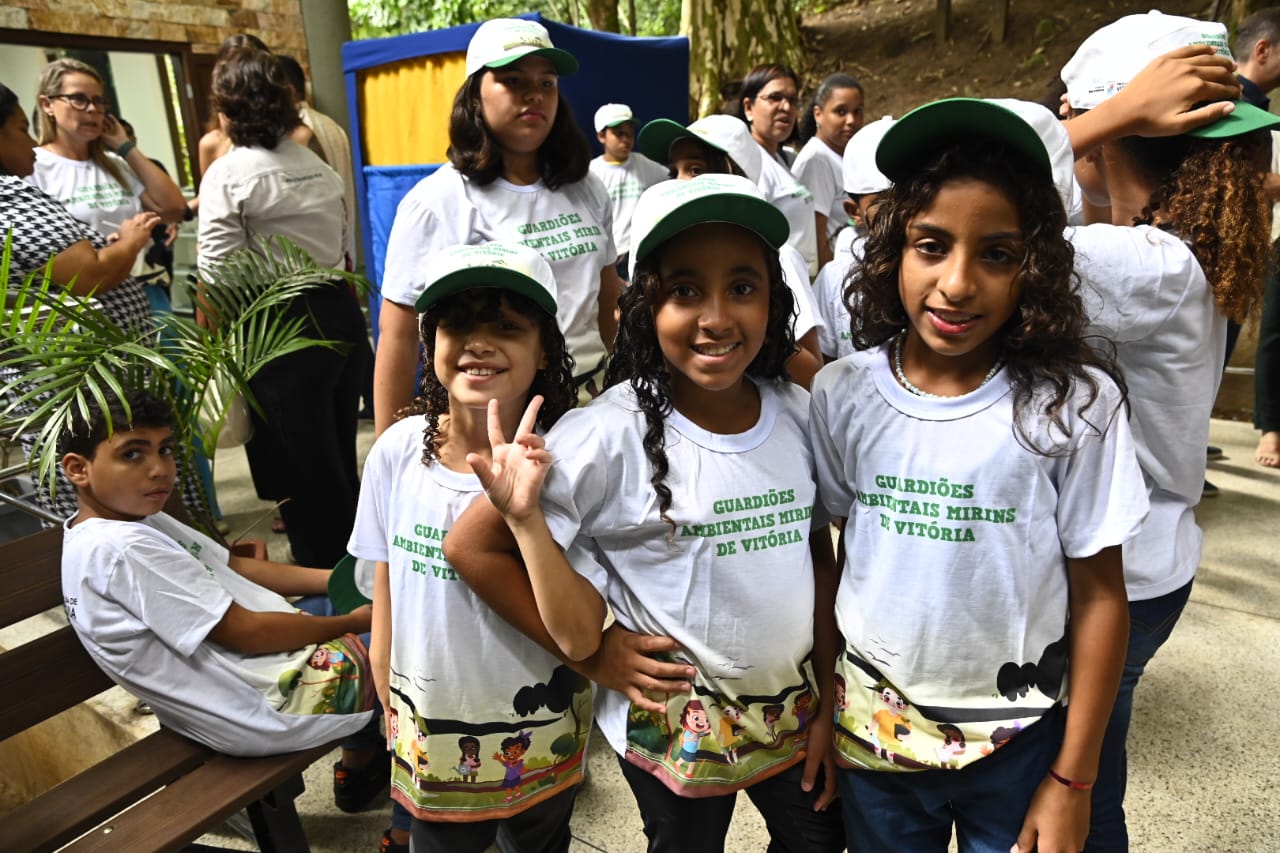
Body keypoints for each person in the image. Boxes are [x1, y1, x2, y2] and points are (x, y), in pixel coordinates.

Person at [448, 175, 845, 853]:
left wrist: (831, 704)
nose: (717, 317)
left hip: (794, 716)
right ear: (643, 305)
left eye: (742, 288)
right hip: (673, 736)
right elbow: (473, 547)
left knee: (819, 838)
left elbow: (817, 554)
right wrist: (597, 653)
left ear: (773, 299)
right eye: (685, 290)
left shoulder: (799, 414)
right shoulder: (607, 433)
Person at [810, 97, 1149, 853]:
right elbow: (833, 560)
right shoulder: (843, 393)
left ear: (1036, 266)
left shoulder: (1073, 404)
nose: (958, 283)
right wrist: (825, 708)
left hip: (1022, 746)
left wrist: (1073, 780)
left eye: (996, 253)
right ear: (891, 248)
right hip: (876, 743)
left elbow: (1100, 596)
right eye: (931, 245)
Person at [1057, 14, 1280, 850]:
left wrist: (1101, 118)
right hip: (1154, 562)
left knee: (1071, 792)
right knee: (1089, 778)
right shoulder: (1177, 250)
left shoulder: (1142, 269)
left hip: (1113, 576)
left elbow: (939, 210)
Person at [348, 242, 582, 853]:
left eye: (506, 325)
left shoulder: (568, 465)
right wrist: (384, 684)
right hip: (429, 728)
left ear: (545, 351)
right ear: (430, 344)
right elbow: (386, 581)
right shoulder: (397, 451)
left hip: (538, 725)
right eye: (458, 323)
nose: (479, 342)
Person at [58, 387, 378, 758]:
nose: (159, 469)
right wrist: (351, 623)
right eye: (132, 454)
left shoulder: (137, 521)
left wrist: (341, 582)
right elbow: (247, 633)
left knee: (357, 605)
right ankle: (414, 797)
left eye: (165, 449)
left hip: (253, 676)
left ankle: (362, 761)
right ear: (78, 469)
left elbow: (234, 566)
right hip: (266, 709)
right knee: (412, 642)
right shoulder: (121, 549)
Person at [376, 18, 625, 430]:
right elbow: (399, 336)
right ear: (475, 93)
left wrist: (628, 387)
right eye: (512, 80)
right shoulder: (437, 202)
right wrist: (388, 455)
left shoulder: (586, 187)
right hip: (494, 419)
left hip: (591, 407)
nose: (534, 95)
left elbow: (606, 299)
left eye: (547, 83)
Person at [197, 46, 367, 570]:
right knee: (339, 453)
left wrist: (216, 344)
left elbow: (218, 274)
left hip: (277, 325)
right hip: (337, 310)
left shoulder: (229, 174)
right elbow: (340, 242)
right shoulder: (314, 165)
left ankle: (326, 580)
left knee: (300, 465)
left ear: (228, 110)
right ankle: (361, 562)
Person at [0, 81, 162, 521]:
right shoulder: (11, 196)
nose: (29, 142)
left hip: (78, 376)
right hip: (82, 380)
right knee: (118, 492)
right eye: (19, 129)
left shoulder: (109, 164)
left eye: (98, 101)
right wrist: (127, 243)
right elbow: (90, 276)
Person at [634, 114, 825, 387]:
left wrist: (761, 331)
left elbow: (811, 370)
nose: (679, 182)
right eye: (673, 171)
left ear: (735, 173)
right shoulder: (660, 250)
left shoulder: (779, 256)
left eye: (695, 170)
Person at [30, 59, 187, 255]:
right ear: (47, 105)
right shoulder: (33, 167)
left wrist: (125, 146)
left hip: (135, 281)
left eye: (98, 101)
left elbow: (173, 208)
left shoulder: (115, 164)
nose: (92, 109)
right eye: (78, 99)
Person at [1234, 8, 1280, 468]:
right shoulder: (1231, 102)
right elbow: (1247, 181)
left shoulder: (1261, 109)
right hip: (1232, 246)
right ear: (1262, 50)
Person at [812, 114, 894, 362]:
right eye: (884, 203)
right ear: (854, 212)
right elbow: (824, 359)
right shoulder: (834, 278)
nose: (900, 211)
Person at [737, 63, 820, 276]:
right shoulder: (747, 164)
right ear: (748, 107)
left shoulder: (784, 158)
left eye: (792, 100)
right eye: (775, 98)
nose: (786, 107)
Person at [792, 73, 865, 266]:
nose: (851, 120)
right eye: (841, 112)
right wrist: (832, 285)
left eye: (857, 111)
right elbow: (816, 242)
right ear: (818, 114)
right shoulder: (817, 159)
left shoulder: (843, 156)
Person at [587, 102, 668, 275]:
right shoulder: (591, 173)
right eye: (619, 133)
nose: (626, 139)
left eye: (630, 133)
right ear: (602, 136)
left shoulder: (645, 166)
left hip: (640, 253)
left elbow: (672, 179)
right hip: (608, 258)